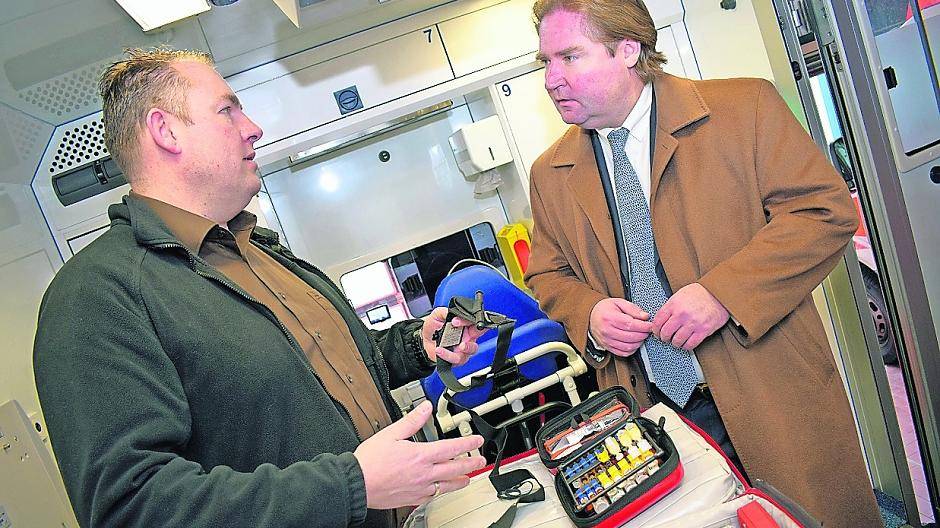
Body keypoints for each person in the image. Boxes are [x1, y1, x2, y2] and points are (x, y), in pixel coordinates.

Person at [33, 48, 487, 528]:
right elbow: (132, 508)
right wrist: (351, 485)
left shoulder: (257, 249)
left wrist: (415, 345)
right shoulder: (98, 294)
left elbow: (317, 374)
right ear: (165, 131)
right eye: (227, 111)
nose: (252, 128)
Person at [523, 1, 882, 526]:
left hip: (768, 386)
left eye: (569, 57)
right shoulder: (549, 173)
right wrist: (590, 314)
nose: (552, 79)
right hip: (651, 413)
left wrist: (723, 294)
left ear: (628, 49)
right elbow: (547, 275)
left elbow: (823, 211)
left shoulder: (744, 108)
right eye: (545, 63)